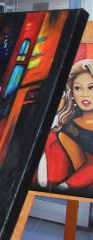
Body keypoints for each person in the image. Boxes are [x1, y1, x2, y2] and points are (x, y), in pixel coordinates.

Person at [37, 59, 93, 190]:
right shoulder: (69, 128)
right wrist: (66, 186)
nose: (84, 94)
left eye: (91, 87)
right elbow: (80, 171)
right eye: (78, 88)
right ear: (71, 93)